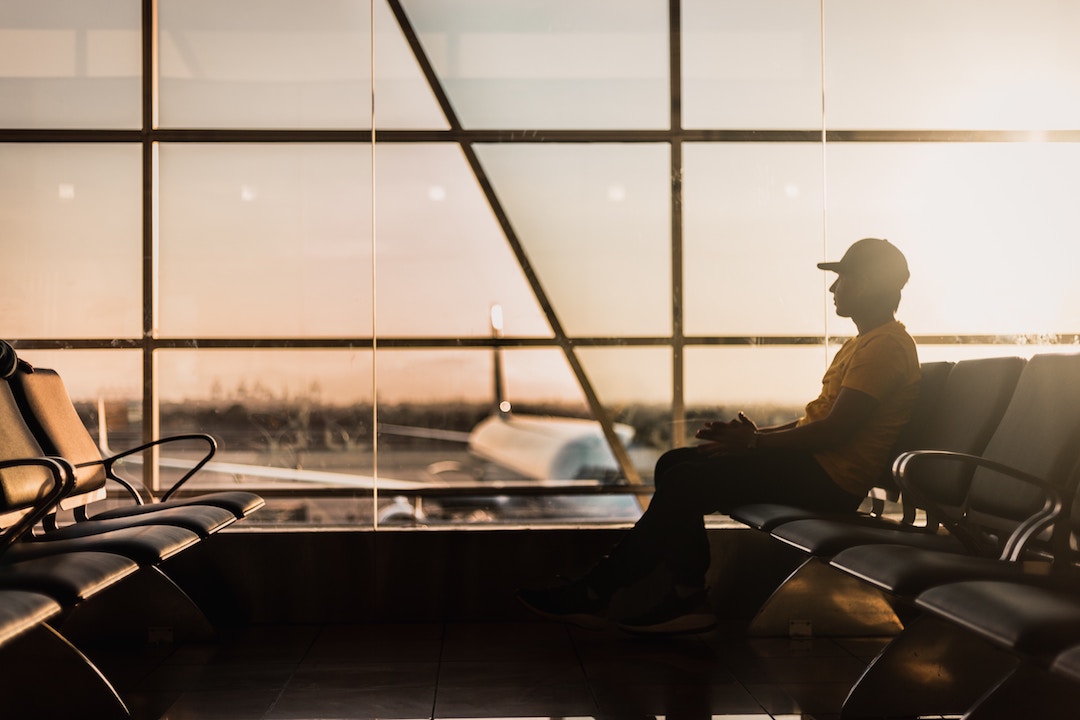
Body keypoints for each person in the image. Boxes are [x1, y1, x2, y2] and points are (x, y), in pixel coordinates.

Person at [518, 237, 921, 635]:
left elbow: (835, 431)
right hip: (816, 468)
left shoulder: (884, 347)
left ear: (866, 283)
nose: (834, 288)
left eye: (842, 278)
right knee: (675, 462)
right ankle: (685, 597)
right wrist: (754, 437)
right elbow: (815, 423)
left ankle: (601, 591)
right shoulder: (865, 343)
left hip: (830, 481)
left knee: (687, 478)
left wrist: (756, 445)